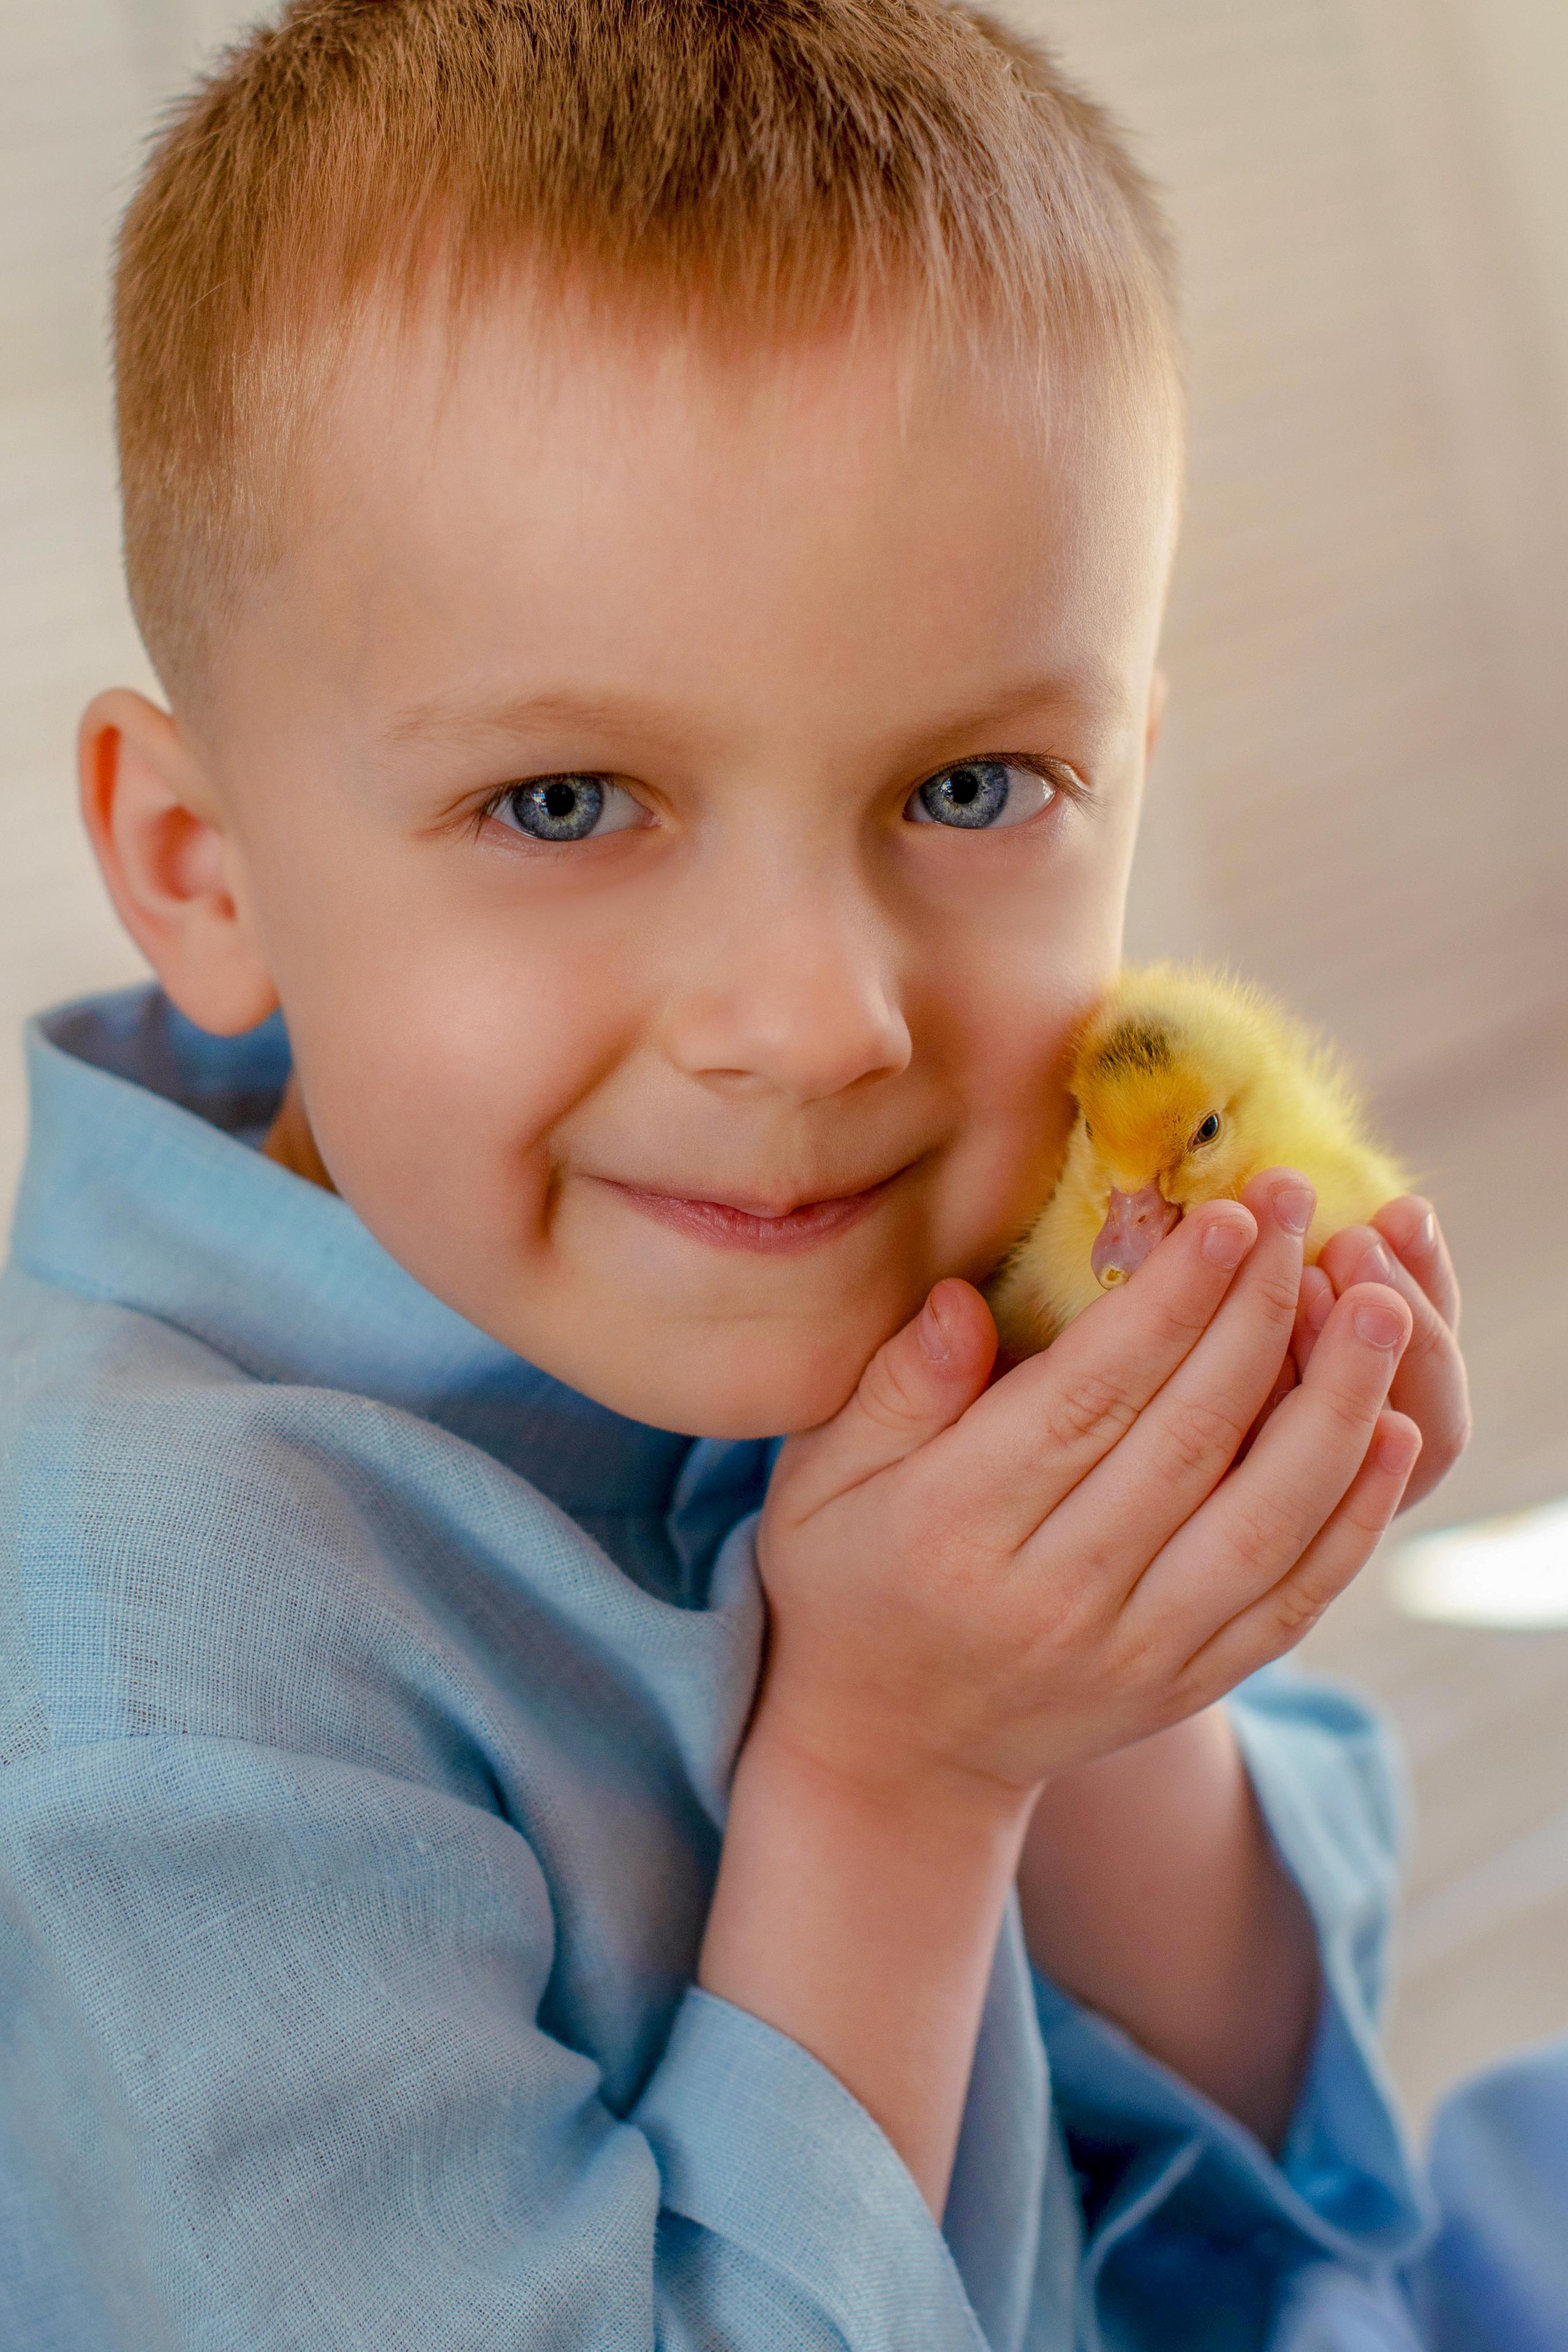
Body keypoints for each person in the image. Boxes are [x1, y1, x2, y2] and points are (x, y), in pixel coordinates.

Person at [0, 4, 1470, 2345]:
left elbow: (1254, 2178)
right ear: (203, 864)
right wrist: (894, 1772)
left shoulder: (878, 1250)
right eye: (567, 805)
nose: (816, 1023)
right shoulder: (148, 1694)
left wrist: (1124, 1628)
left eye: (978, 788)